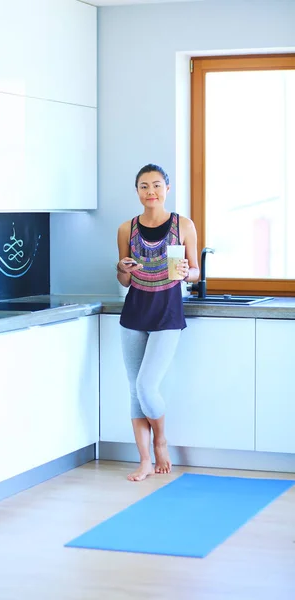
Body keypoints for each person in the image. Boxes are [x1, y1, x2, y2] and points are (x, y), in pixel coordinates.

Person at [116, 164, 199, 482]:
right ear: (137, 192)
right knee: (134, 391)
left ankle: (161, 442)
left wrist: (186, 273)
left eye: (156, 185)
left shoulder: (183, 225)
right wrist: (122, 267)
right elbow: (124, 279)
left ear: (167, 189)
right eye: (143, 186)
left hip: (167, 314)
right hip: (134, 313)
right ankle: (145, 460)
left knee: (145, 385)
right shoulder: (127, 229)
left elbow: (195, 271)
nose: (150, 191)